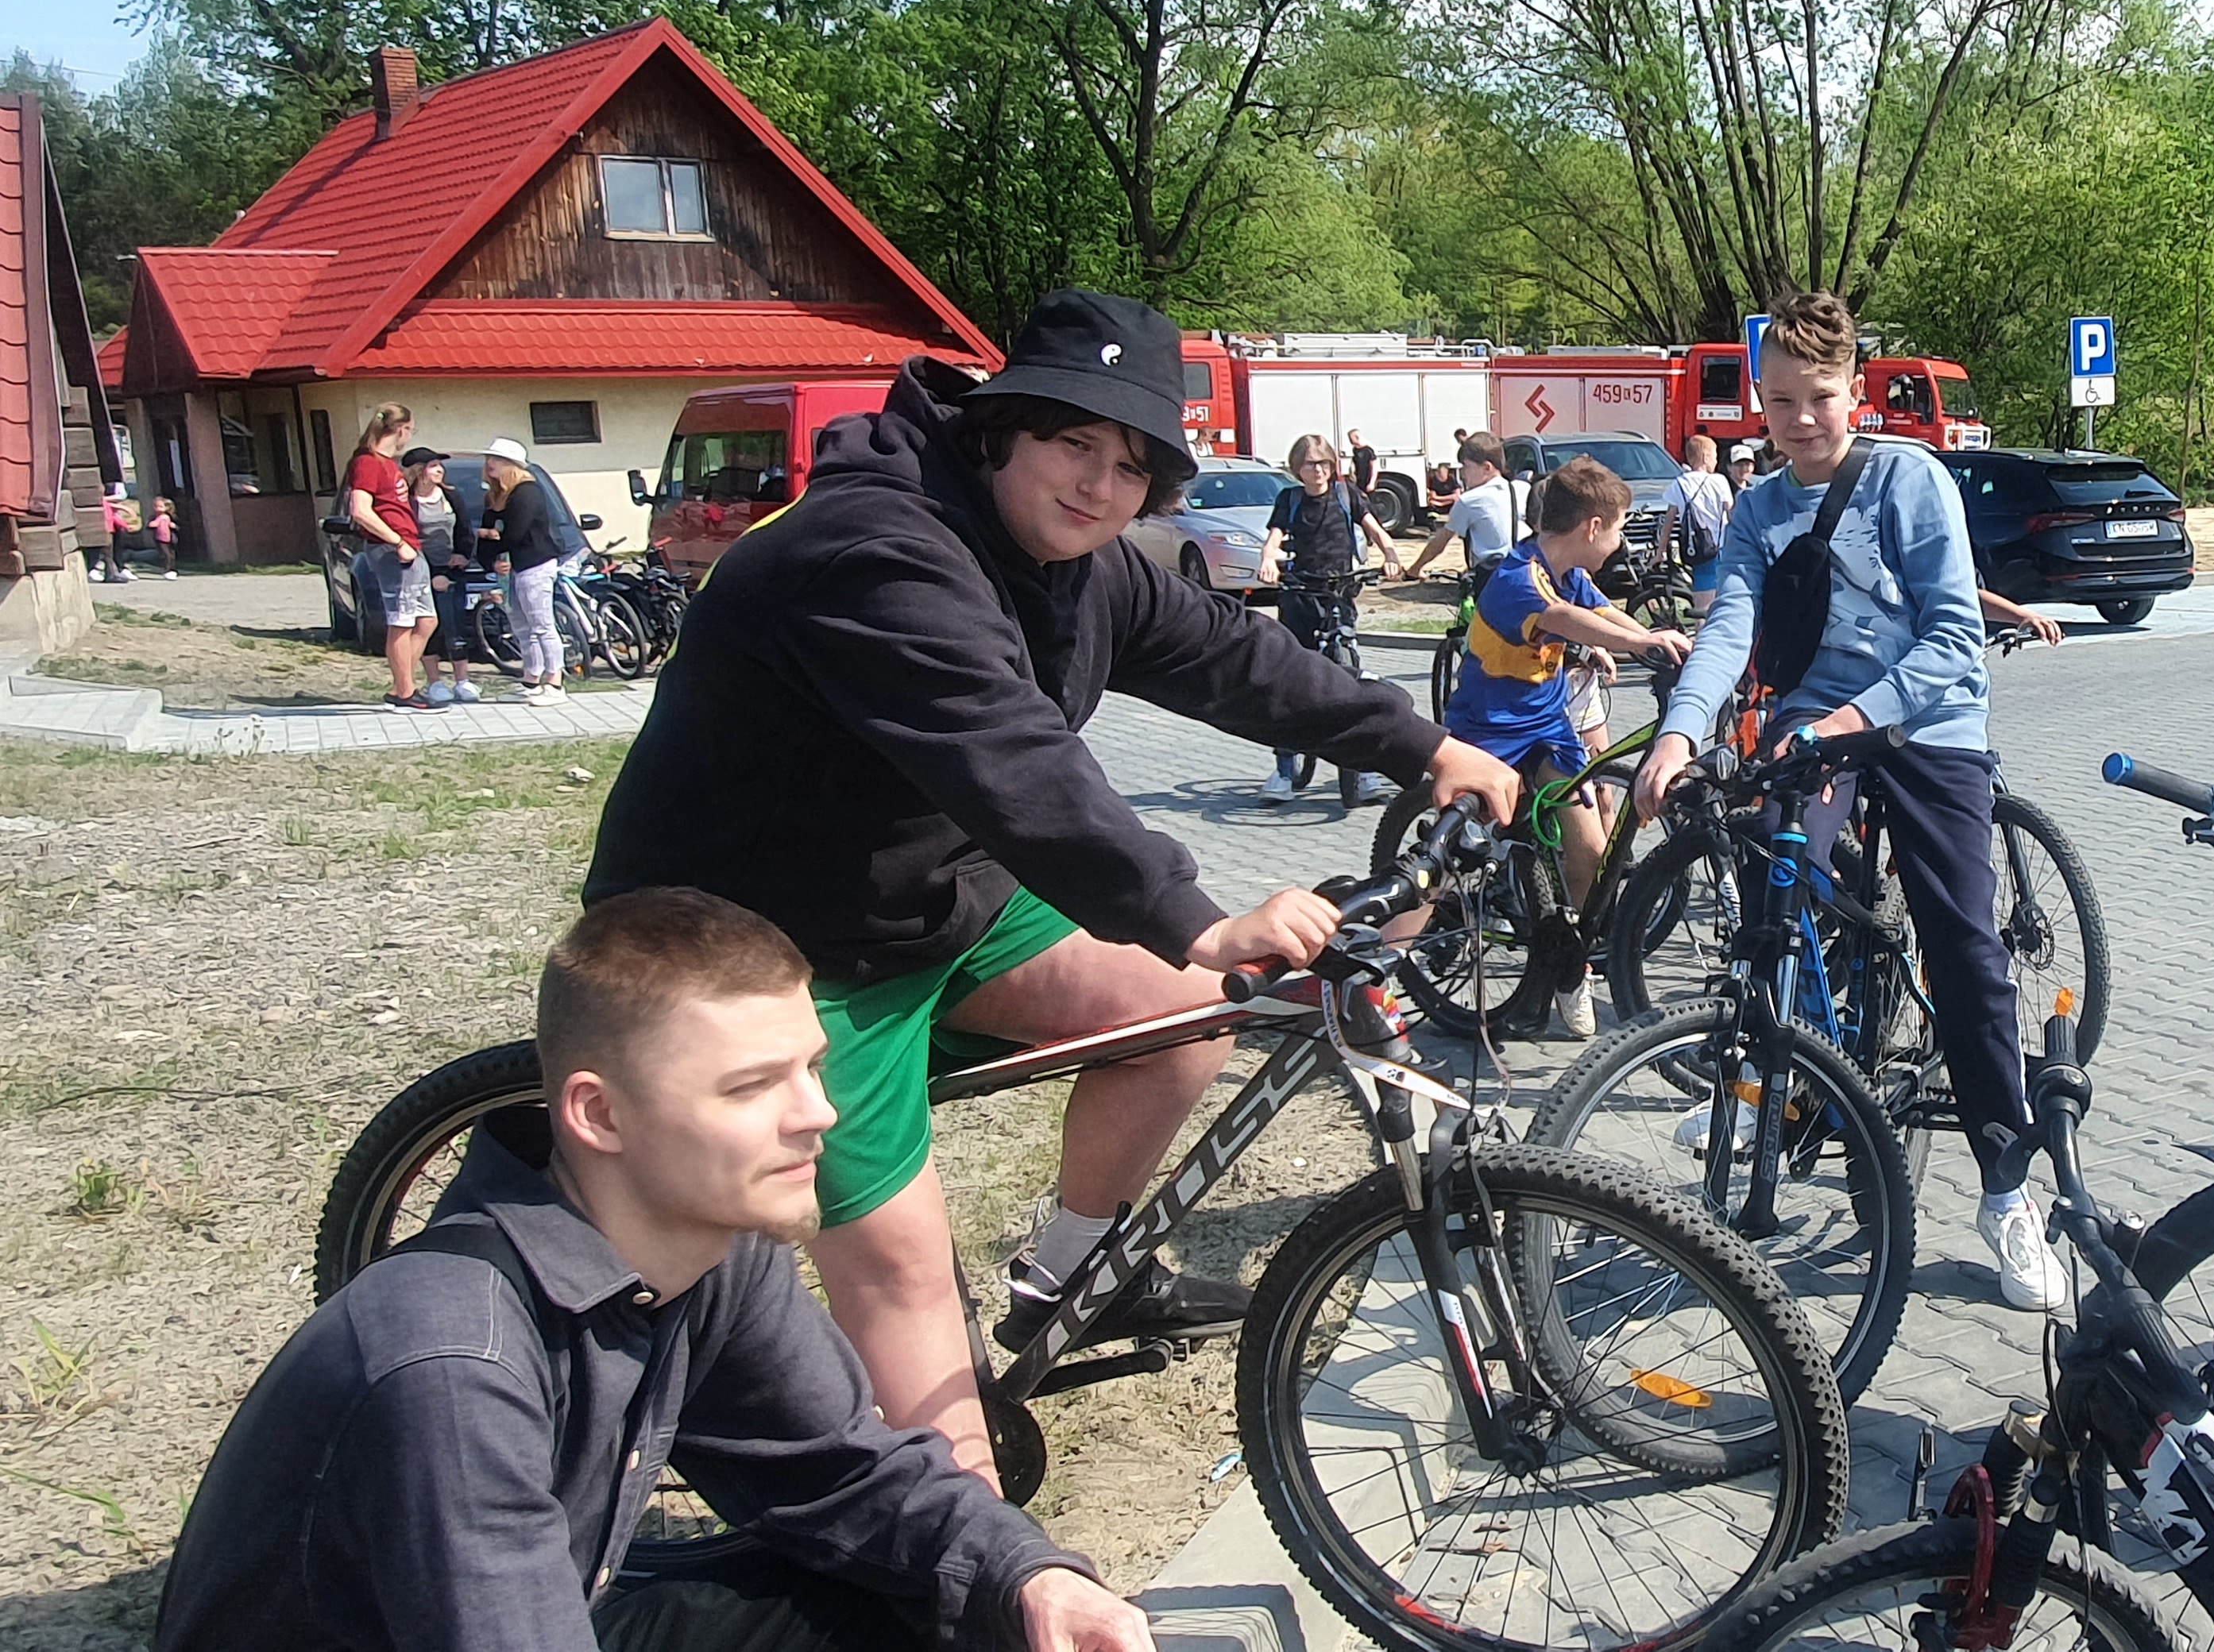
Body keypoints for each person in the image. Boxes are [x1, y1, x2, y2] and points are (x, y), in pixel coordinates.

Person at [585, 289, 1519, 1484]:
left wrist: (1424, 747)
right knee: (912, 1289)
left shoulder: (1073, 561)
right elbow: (1012, 759)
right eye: (1074, 442)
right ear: (1001, 429)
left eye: (1132, 467)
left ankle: (1080, 1269)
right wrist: (1193, 914)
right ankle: (958, 1551)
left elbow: (1234, 657)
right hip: (770, 942)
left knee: (1191, 1013)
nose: (1099, 485)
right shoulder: (879, 550)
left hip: (939, 894)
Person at [153, 889, 1157, 1652]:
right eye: (752, 1087)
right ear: (600, 1114)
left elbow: (844, 1474)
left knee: (958, 1606)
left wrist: (1032, 1580)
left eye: (811, 1067)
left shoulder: (708, 1249)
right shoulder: (454, 1366)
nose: (818, 1113)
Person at [1634, 291, 2046, 1308]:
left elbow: (1951, 636)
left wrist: (1848, 722)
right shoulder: (1760, 507)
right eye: (1779, 402)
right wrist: (1679, 731)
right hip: (1816, 726)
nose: (1800, 419)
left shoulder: (1910, 479)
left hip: (1927, 723)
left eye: (1819, 397)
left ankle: (2006, 1188)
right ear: (1759, 403)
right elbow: (1729, 628)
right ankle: (1777, 1080)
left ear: (1854, 392)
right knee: (1775, 904)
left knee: (1964, 945)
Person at [1444, 457, 1693, 1038]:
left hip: (1546, 729)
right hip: (1488, 733)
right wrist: (1639, 645)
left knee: (1591, 851)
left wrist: (1651, 639)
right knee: (1456, 854)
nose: (1619, 542)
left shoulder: (1569, 573)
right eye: (1618, 529)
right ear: (1591, 527)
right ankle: (1403, 946)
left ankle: (1572, 962)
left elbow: (1596, 610)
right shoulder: (1518, 579)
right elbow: (1560, 618)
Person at [1261, 430, 1405, 802]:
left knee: (1351, 679)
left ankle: (1364, 771)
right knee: (1289, 681)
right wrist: (1268, 561)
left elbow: (1375, 530)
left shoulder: (1346, 495)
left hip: (1339, 592)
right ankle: (1283, 771)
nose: (1318, 471)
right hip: (1301, 595)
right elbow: (1274, 539)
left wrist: (1391, 555)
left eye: (1324, 463)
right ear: (1298, 468)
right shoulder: (1290, 499)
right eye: (1310, 464)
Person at [342, 403, 439, 713]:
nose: (409, 436)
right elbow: (361, 510)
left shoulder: (390, 464)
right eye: (410, 430)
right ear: (401, 429)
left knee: (427, 620)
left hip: (411, 545)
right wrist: (397, 541)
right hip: (392, 550)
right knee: (401, 620)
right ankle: (405, 692)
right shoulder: (367, 462)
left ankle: (402, 684)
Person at [485, 441, 574, 708]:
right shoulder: (495, 495)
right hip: (514, 569)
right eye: (489, 458)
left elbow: (515, 533)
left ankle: (555, 682)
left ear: (512, 465)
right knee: (521, 626)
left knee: (542, 624)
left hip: (536, 564)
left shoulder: (527, 492)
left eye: (497, 459)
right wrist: (491, 557)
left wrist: (493, 540)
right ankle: (530, 680)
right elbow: (489, 532)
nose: (490, 464)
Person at [399, 447, 481, 706]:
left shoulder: (450, 496)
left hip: (451, 569)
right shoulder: (407, 501)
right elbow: (406, 537)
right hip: (421, 571)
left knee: (456, 624)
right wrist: (430, 575)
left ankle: (462, 680)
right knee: (429, 627)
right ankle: (434, 681)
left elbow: (465, 530)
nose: (439, 470)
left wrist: (462, 555)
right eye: (433, 466)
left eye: (439, 465)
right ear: (419, 471)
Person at [1404, 431, 1520, 581]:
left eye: (1466, 466)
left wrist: (1415, 569)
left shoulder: (1470, 500)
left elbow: (1441, 541)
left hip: (1491, 577)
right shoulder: (1520, 490)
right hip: (1521, 571)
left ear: (1487, 467)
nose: (1463, 473)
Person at [1677, 432, 1738, 615]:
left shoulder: (1680, 482)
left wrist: (1660, 552)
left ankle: (1700, 622)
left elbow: (1670, 517)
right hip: (1718, 545)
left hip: (1696, 546)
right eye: (1715, 457)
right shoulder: (1719, 481)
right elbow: (1730, 511)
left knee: (1702, 586)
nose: (1716, 462)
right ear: (1706, 458)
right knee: (1720, 589)